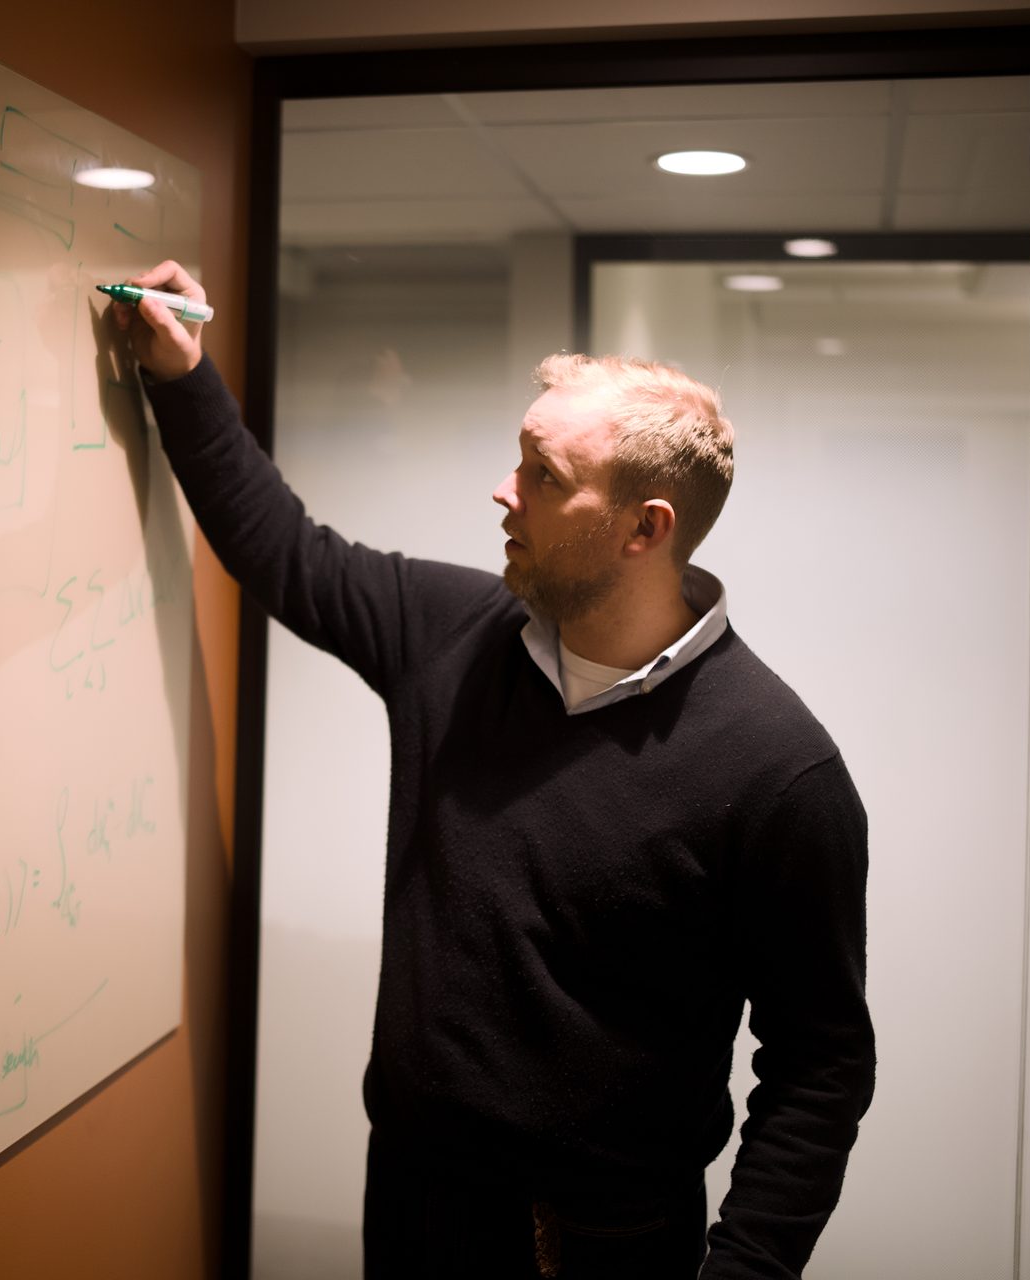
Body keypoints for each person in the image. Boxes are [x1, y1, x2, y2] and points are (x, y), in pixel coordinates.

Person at [112, 262, 874, 1279]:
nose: (504, 491)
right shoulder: (456, 637)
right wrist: (183, 373)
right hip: (414, 1211)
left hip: (602, 1246)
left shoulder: (778, 768)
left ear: (646, 527)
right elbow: (284, 549)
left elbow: (821, 1064)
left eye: (544, 475)